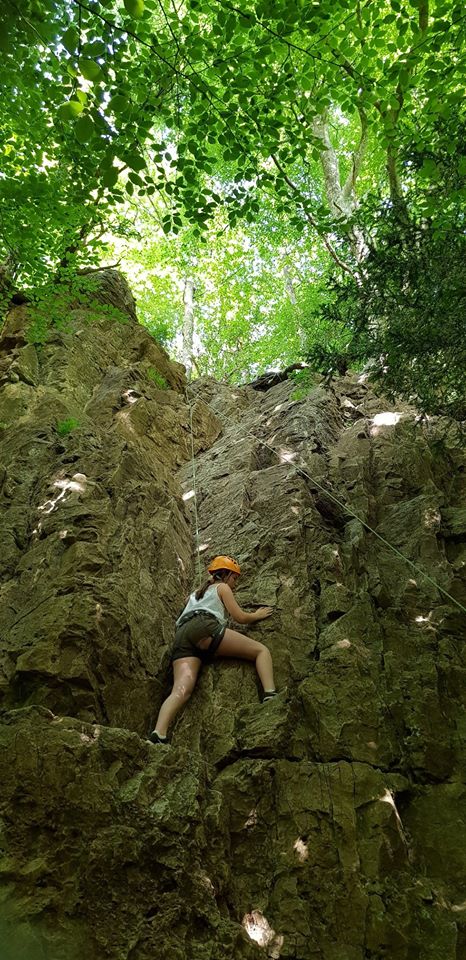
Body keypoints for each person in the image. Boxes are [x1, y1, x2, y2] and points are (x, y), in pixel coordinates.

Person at [148, 555, 275, 744]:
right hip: (203, 626)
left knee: (181, 690)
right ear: (226, 575)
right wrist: (256, 615)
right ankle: (270, 694)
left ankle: (159, 734)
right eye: (234, 578)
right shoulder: (222, 588)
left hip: (182, 635)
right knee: (261, 651)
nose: (235, 584)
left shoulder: (195, 594)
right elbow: (239, 617)